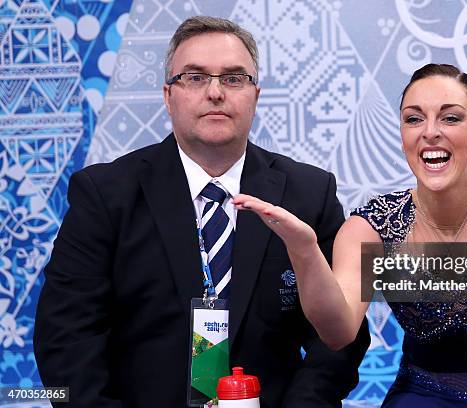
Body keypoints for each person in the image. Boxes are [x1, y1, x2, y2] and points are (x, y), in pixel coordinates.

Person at [33, 16, 369, 407]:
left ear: (255, 95)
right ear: (167, 95)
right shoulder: (106, 194)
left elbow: (343, 336)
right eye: (194, 78)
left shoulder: (309, 193)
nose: (215, 93)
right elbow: (66, 336)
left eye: (233, 78)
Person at [235, 63, 467, 407]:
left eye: (451, 118)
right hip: (423, 394)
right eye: (414, 119)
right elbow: (338, 333)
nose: (430, 132)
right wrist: (305, 249)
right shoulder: (372, 226)